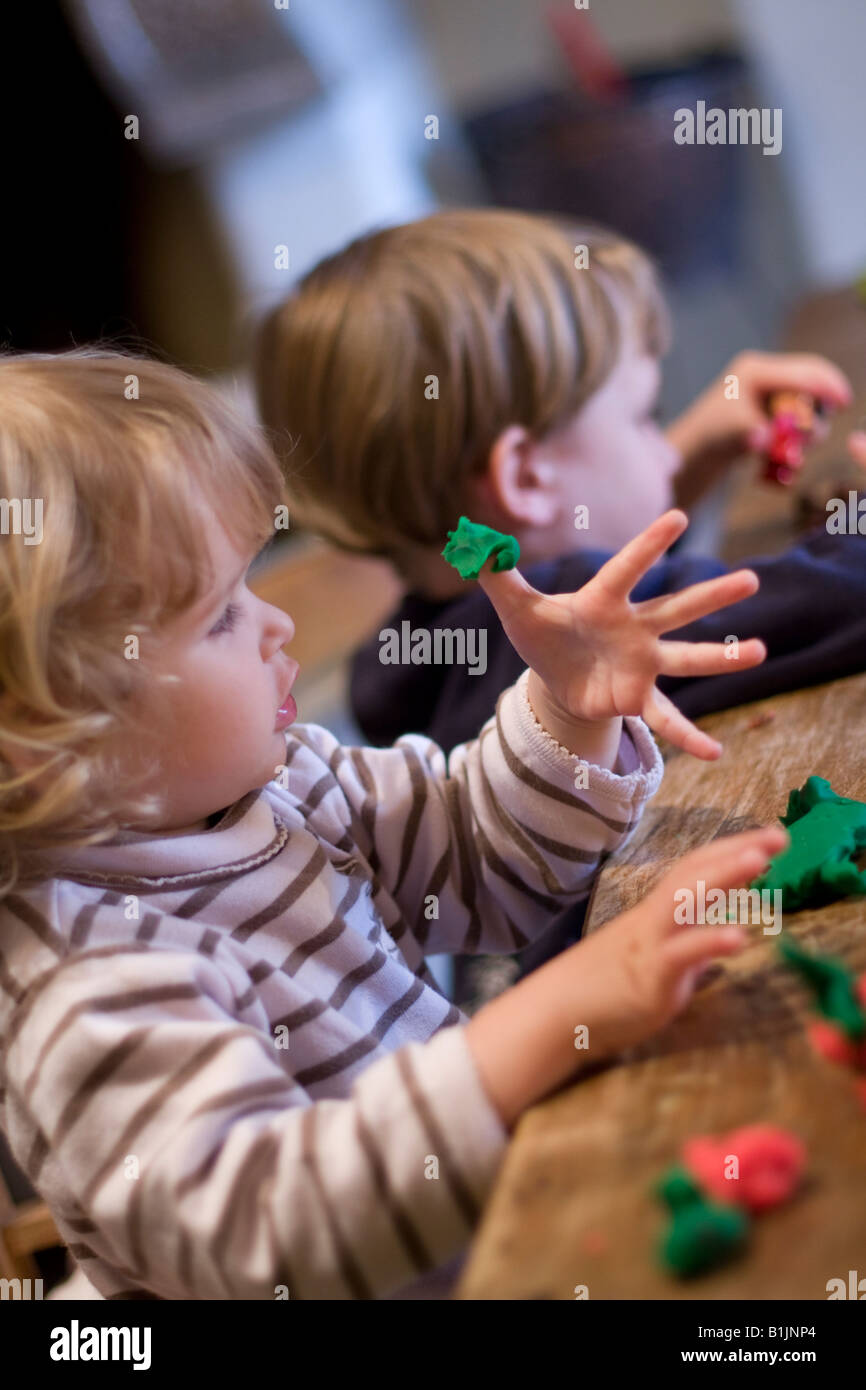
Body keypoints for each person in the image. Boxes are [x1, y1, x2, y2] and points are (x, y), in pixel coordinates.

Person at [0, 349, 782, 1300]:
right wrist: (547, 1020)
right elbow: (276, 1232)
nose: (274, 625)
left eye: (253, 582)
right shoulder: (85, 996)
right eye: (218, 618)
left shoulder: (281, 785)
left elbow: (482, 851)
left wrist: (571, 708)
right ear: (47, 739)